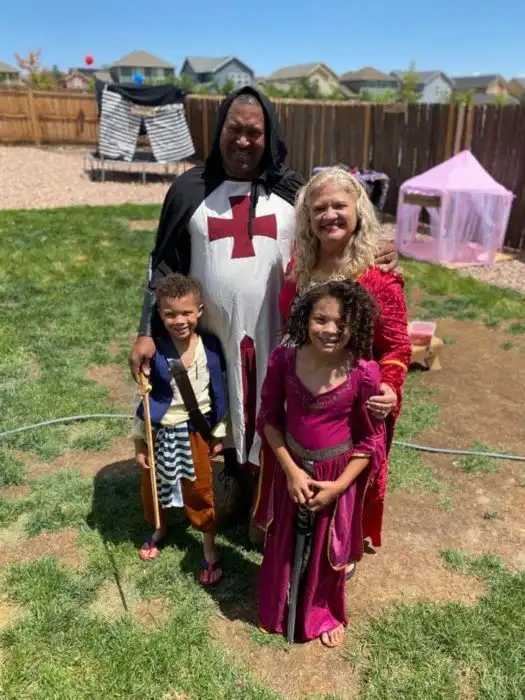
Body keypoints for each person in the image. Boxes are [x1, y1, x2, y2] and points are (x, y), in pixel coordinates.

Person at [129, 86, 398, 530]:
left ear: (269, 135)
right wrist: (146, 330)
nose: (243, 140)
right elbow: (163, 265)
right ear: (219, 131)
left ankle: (269, 504)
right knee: (217, 409)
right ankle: (230, 485)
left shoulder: (294, 191)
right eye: (234, 130)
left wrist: (378, 249)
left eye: (254, 132)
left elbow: (337, 232)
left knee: (274, 412)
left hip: (279, 333)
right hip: (210, 335)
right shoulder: (189, 189)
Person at [278, 167, 411, 553]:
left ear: (359, 211)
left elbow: (397, 347)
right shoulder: (300, 267)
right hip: (302, 391)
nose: (330, 215)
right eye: (319, 208)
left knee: (345, 480)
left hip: (350, 405)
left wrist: (390, 386)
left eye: (339, 206)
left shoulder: (378, 276)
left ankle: (341, 546)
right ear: (307, 217)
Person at [254, 280, 386, 646]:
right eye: (320, 319)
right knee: (283, 540)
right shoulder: (284, 359)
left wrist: (339, 486)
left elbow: (370, 440)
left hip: (335, 475)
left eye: (342, 323)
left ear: (356, 325)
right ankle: (277, 608)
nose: (330, 330)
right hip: (292, 468)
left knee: (328, 549)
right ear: (304, 319)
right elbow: (268, 419)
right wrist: (291, 471)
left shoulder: (363, 372)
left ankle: (322, 613)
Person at [132, 273, 227, 585]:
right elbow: (144, 400)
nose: (179, 320)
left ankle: (209, 547)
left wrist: (218, 433)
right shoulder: (155, 351)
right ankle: (160, 528)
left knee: (199, 489)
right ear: (160, 315)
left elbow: (219, 393)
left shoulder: (210, 348)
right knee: (154, 485)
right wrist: (140, 443)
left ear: (199, 311)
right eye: (170, 314)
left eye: (186, 312)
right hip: (160, 433)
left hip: (195, 432)